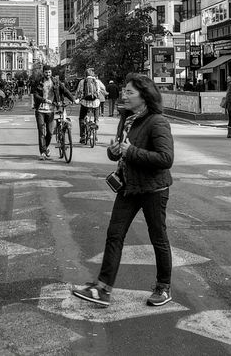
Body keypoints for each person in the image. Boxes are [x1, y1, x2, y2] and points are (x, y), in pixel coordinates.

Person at [72, 74, 174, 308]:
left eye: (130, 92)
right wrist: (114, 151)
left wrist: (131, 152)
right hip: (128, 186)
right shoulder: (127, 118)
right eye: (124, 91)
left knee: (158, 237)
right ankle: (103, 288)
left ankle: (163, 287)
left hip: (153, 188)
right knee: (114, 235)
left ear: (144, 96)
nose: (124, 95)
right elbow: (121, 152)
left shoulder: (157, 122)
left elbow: (166, 158)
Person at [32, 65, 75, 160]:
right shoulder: (39, 82)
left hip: (51, 110)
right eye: (46, 72)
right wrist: (44, 100)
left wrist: (72, 99)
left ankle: (46, 147)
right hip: (40, 110)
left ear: (51, 73)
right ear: (43, 73)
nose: (48, 74)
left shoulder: (55, 81)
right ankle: (42, 152)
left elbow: (64, 90)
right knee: (41, 132)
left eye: (49, 72)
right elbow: (35, 95)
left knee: (50, 132)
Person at [75, 68, 107, 144]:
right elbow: (103, 88)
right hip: (95, 103)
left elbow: (78, 92)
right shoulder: (97, 81)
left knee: (82, 118)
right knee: (96, 119)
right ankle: (95, 136)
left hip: (85, 103)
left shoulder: (82, 81)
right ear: (93, 74)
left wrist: (76, 98)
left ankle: (83, 136)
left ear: (85, 75)